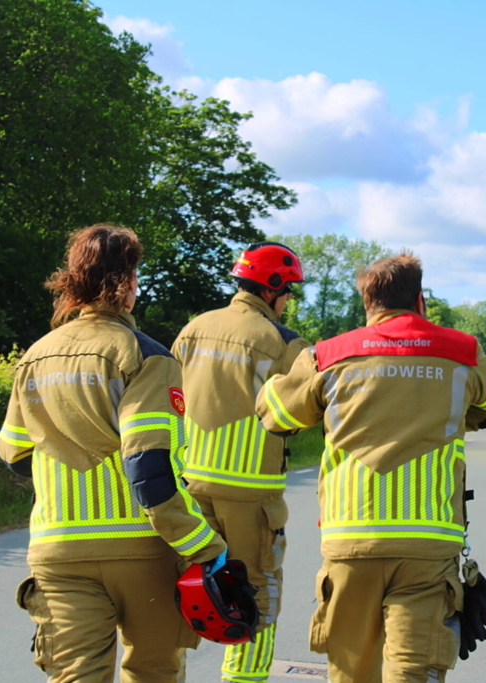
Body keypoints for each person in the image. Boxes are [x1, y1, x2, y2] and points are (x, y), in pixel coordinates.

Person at [255, 252, 486, 683]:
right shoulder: (463, 351)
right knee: (412, 669)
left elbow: (276, 415)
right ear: (420, 299)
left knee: (352, 672)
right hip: (428, 544)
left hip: (351, 541)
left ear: (367, 302)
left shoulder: (329, 355)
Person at [0, 224, 229, 683]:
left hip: (58, 550)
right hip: (141, 553)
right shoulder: (146, 356)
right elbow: (149, 467)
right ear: (126, 282)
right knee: (153, 673)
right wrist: (205, 545)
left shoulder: (35, 357)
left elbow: (14, 454)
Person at [172, 241, 309, 683]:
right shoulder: (285, 344)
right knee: (257, 597)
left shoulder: (192, 329)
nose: (289, 302)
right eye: (289, 292)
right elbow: (295, 417)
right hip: (251, 495)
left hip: (189, 489)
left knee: (186, 593)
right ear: (272, 289)